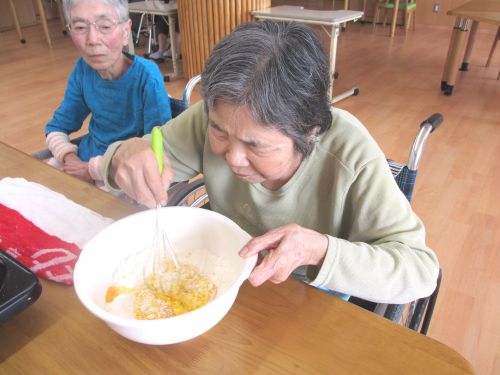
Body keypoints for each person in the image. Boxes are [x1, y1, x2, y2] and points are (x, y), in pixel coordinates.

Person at [101, 21, 439, 304]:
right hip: (228, 285)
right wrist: (121, 157)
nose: (232, 158)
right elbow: (130, 161)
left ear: (309, 131)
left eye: (255, 145)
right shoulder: (219, 118)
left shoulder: (350, 155)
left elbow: (420, 270)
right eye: (219, 132)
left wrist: (318, 250)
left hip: (312, 299)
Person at [45, 0, 172, 184]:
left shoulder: (147, 76)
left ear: (126, 30)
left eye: (105, 26)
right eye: (80, 27)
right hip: (84, 160)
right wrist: (69, 158)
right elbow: (57, 127)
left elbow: (156, 147)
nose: (92, 40)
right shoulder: (83, 69)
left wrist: (92, 170)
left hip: (123, 172)